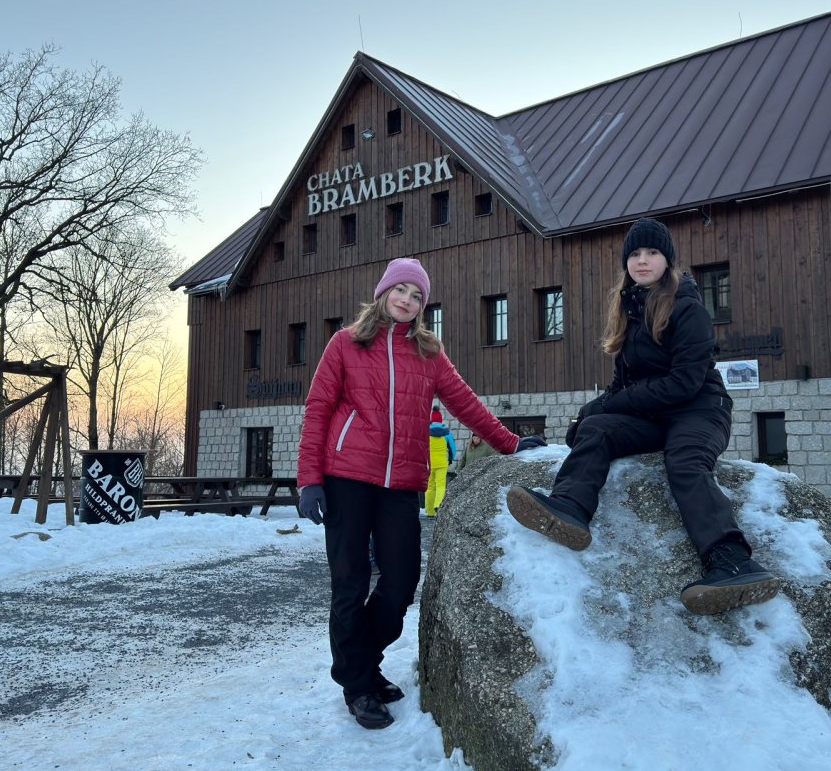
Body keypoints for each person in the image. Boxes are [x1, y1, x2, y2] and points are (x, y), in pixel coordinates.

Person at [298, 257, 546, 730]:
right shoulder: (345, 343)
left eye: (417, 296)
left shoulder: (428, 352)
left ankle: (360, 663)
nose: (407, 301)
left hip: (400, 483)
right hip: (346, 478)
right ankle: (358, 686)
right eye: (401, 290)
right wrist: (310, 479)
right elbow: (318, 409)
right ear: (383, 292)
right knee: (350, 583)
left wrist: (510, 443)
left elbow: (464, 402)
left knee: (401, 580)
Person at [506, 218, 781, 616]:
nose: (642, 260)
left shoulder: (687, 307)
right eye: (634, 253)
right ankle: (570, 508)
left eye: (652, 252)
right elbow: (622, 386)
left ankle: (731, 560)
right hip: (654, 416)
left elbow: (684, 383)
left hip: (700, 409)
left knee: (685, 462)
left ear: (667, 260)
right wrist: (589, 414)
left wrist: (608, 405)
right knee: (597, 428)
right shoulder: (629, 309)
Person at [425, 408, 456, 516]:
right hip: (442, 463)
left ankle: (430, 511)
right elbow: (452, 448)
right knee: (440, 486)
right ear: (441, 420)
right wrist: (451, 459)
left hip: (430, 464)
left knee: (430, 487)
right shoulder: (447, 433)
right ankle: (438, 504)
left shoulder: (426, 432)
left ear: (431, 419)